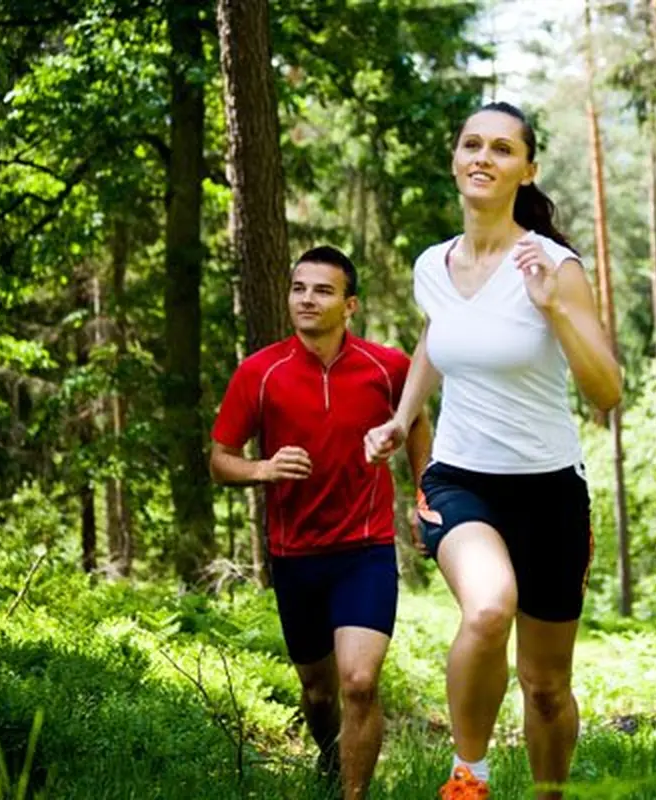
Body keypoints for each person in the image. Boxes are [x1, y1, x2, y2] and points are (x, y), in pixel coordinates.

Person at [364, 102, 622, 800]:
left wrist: (553, 307)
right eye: (472, 144)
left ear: (527, 170)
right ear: (455, 159)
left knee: (546, 686)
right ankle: (468, 779)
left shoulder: (556, 267)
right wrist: (403, 418)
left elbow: (606, 391)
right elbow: (438, 335)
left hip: (550, 489)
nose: (483, 157)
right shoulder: (433, 265)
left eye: (502, 148)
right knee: (487, 607)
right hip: (460, 479)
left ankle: (549, 794)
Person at [209, 245, 431, 800]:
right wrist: (262, 468)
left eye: (323, 290)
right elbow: (219, 460)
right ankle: (332, 763)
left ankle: (353, 795)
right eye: (299, 288)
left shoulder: (388, 367)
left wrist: (424, 492)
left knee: (359, 682)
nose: (307, 299)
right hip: (296, 555)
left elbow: (416, 421)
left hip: (365, 549)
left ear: (350, 305)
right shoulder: (259, 372)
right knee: (319, 692)